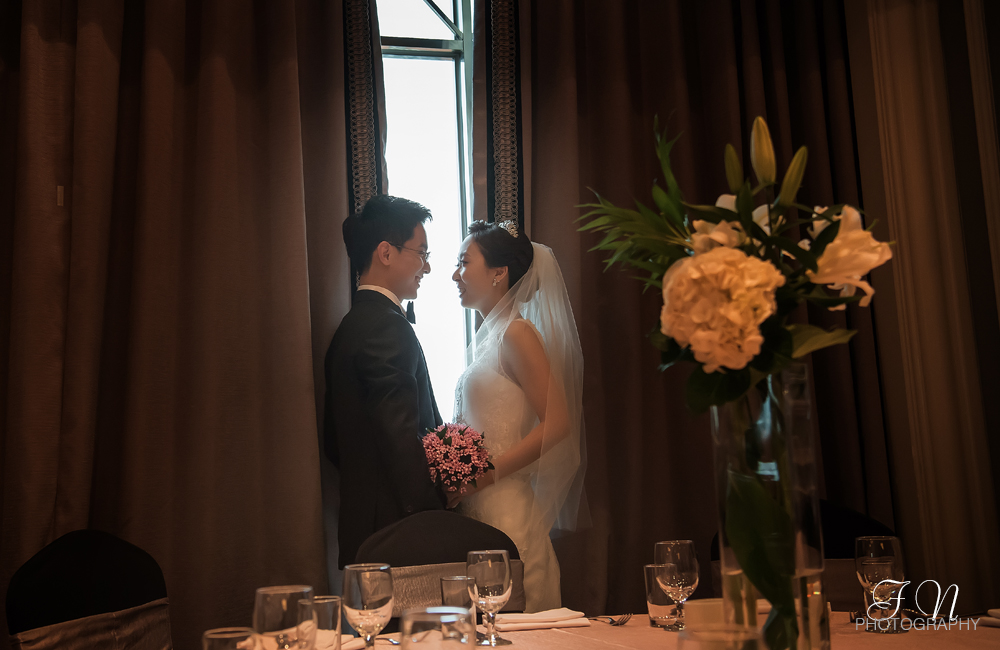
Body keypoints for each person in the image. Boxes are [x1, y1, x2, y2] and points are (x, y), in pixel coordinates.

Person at [450, 219, 587, 612]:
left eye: (464, 263)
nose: (455, 275)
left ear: (498, 272)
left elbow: (558, 423)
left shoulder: (517, 334)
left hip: (509, 512)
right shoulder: (487, 340)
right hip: (477, 512)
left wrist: (486, 476)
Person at [324, 194, 444, 568]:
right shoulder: (386, 327)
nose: (427, 266)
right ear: (386, 253)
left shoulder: (351, 325)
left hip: (362, 530)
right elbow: (401, 438)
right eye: (421, 253)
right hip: (397, 536)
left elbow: (333, 441)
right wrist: (434, 514)